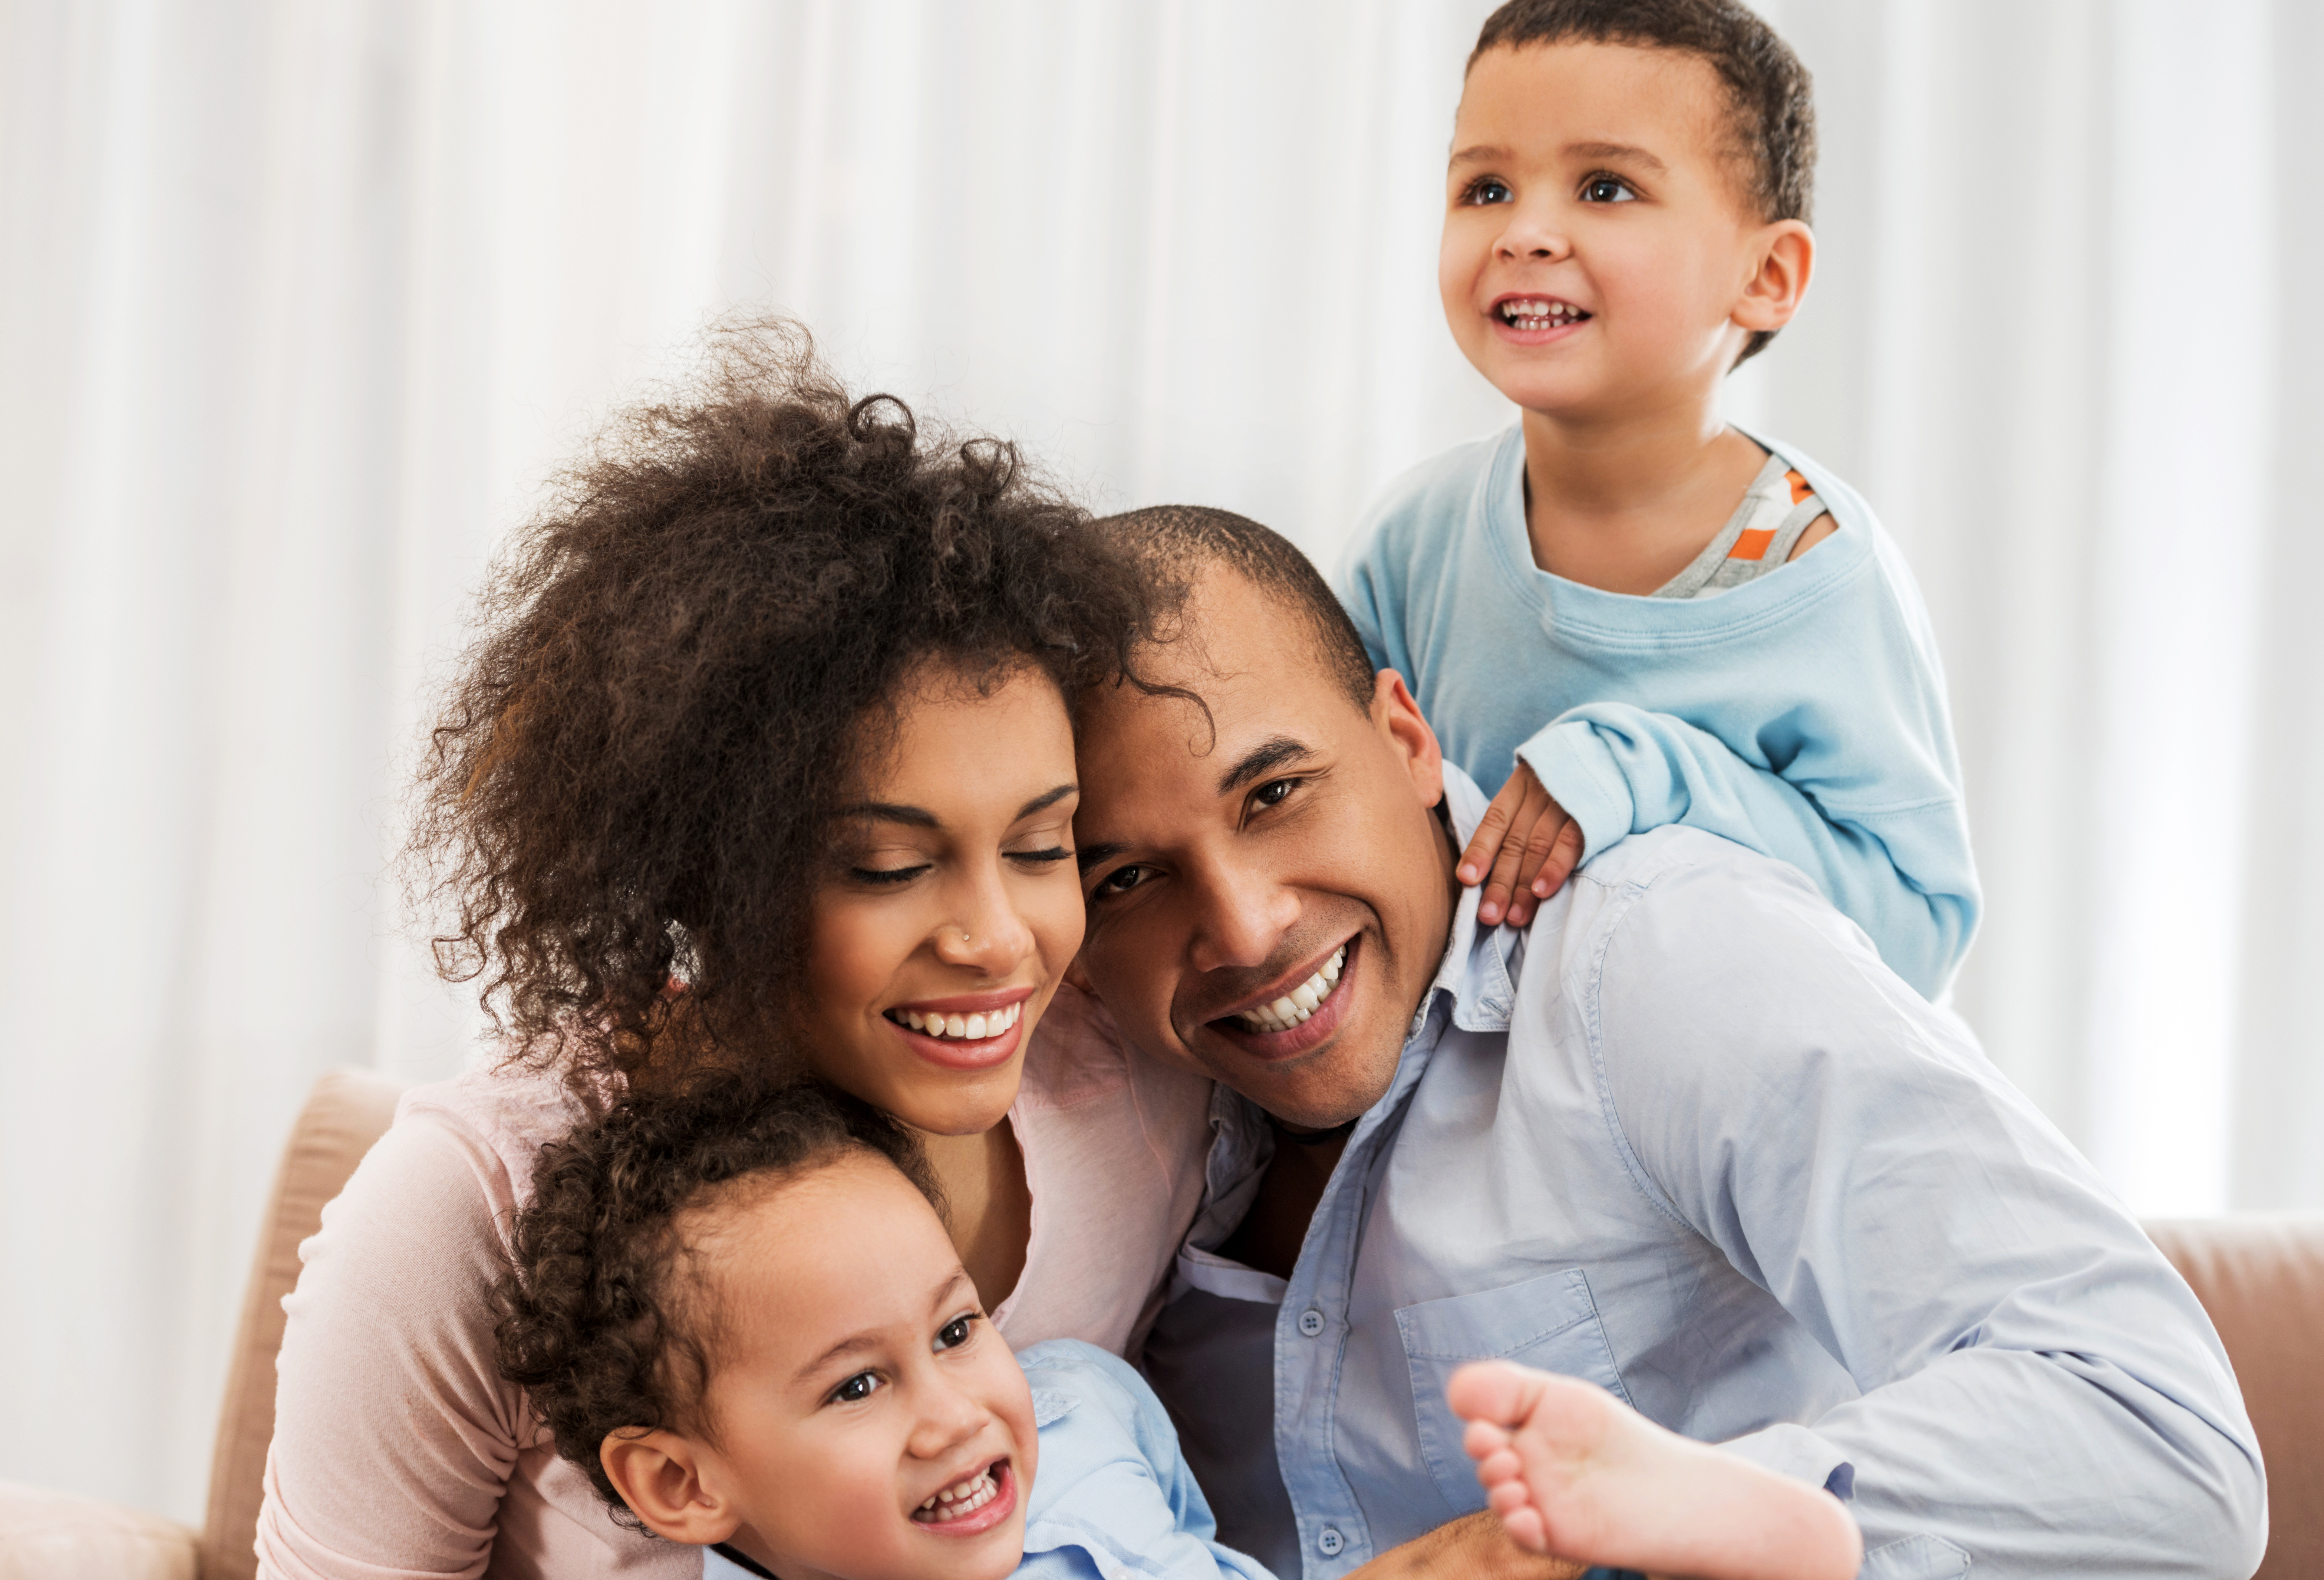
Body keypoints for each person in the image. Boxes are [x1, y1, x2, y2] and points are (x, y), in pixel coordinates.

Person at [1070, 505, 2266, 1579]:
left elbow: (2158, 1439)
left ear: (1405, 738)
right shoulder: (1103, 1113)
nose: (1241, 927)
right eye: (1125, 877)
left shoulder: (1654, 951)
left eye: (1273, 794)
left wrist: (1591, 1544)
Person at [254, 325, 1217, 1580]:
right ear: (710, 873)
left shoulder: (1124, 1096)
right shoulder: (473, 1205)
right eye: (885, 866)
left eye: (1041, 847)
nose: (996, 942)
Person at [1337, 0, 1979, 1000]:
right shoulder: (1413, 541)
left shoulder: (1820, 574)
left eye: (1604, 186)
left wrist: (1641, 769)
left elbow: (1917, 932)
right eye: (1486, 185)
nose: (1525, 231)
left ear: (1764, 276)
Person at [494, 1066, 1277, 1580]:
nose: (956, 1417)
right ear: (683, 1483)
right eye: (856, 1386)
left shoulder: (1086, 1406)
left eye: (955, 1331)